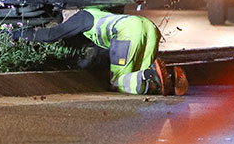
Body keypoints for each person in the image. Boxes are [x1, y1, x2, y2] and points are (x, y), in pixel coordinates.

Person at [17, 7, 188, 96]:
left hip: (129, 31)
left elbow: (51, 35)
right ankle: (170, 80)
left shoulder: (81, 17)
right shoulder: (97, 14)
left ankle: (150, 77)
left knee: (119, 83)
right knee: (136, 75)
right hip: (148, 27)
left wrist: (16, 34)